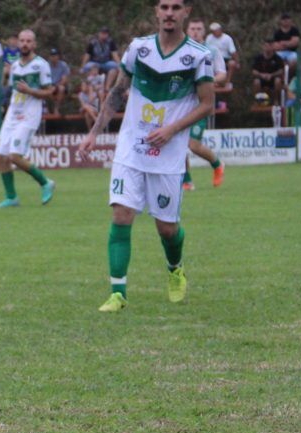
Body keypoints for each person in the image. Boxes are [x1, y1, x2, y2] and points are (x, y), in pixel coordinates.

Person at [77, 0, 215, 313]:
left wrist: (171, 130)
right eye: (164, 6)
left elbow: (206, 104)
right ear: (156, 12)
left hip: (168, 154)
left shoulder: (199, 55)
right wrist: (95, 132)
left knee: (166, 229)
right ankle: (118, 293)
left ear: (186, 12)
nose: (169, 12)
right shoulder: (137, 50)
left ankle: (175, 267)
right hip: (131, 147)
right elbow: (117, 93)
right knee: (121, 214)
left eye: (175, 7)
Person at [0, 30, 55, 208]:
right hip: (13, 114)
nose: (25, 44)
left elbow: (50, 92)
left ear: (34, 44)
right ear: (17, 44)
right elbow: (14, 90)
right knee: (2, 156)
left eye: (28, 41)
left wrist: (30, 91)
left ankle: (45, 183)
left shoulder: (41, 65)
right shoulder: (14, 66)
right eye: (22, 41)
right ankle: (11, 197)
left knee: (14, 156)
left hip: (29, 116)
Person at [182, 20, 224, 190]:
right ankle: (186, 180)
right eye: (192, 29)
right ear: (186, 30)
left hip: (201, 105)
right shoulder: (180, 50)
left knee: (193, 145)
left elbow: (222, 75)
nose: (196, 32)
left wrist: (206, 80)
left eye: (199, 29)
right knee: (178, 144)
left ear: (204, 32)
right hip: (181, 104)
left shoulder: (212, 51)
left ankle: (217, 165)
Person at [207, 22, 238, 88]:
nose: (215, 32)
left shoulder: (227, 38)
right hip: (213, 58)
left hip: (225, 59)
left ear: (220, 29)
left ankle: (227, 82)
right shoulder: (209, 38)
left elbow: (233, 51)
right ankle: (212, 82)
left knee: (232, 63)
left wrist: (237, 62)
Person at [78, 65, 103, 130]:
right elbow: (83, 105)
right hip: (84, 109)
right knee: (86, 107)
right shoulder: (80, 94)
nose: (83, 87)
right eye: (82, 86)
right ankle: (96, 119)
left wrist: (90, 90)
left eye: (84, 86)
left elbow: (90, 101)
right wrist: (87, 106)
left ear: (87, 86)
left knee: (87, 114)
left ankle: (90, 130)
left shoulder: (93, 93)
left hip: (92, 109)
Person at [47, 48, 70, 112]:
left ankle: (56, 108)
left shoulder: (63, 65)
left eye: (55, 55)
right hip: (50, 85)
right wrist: (50, 86)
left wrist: (56, 86)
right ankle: (49, 108)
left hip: (59, 84)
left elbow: (64, 79)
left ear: (58, 56)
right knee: (46, 89)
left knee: (61, 88)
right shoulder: (47, 65)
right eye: (52, 56)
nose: (54, 57)